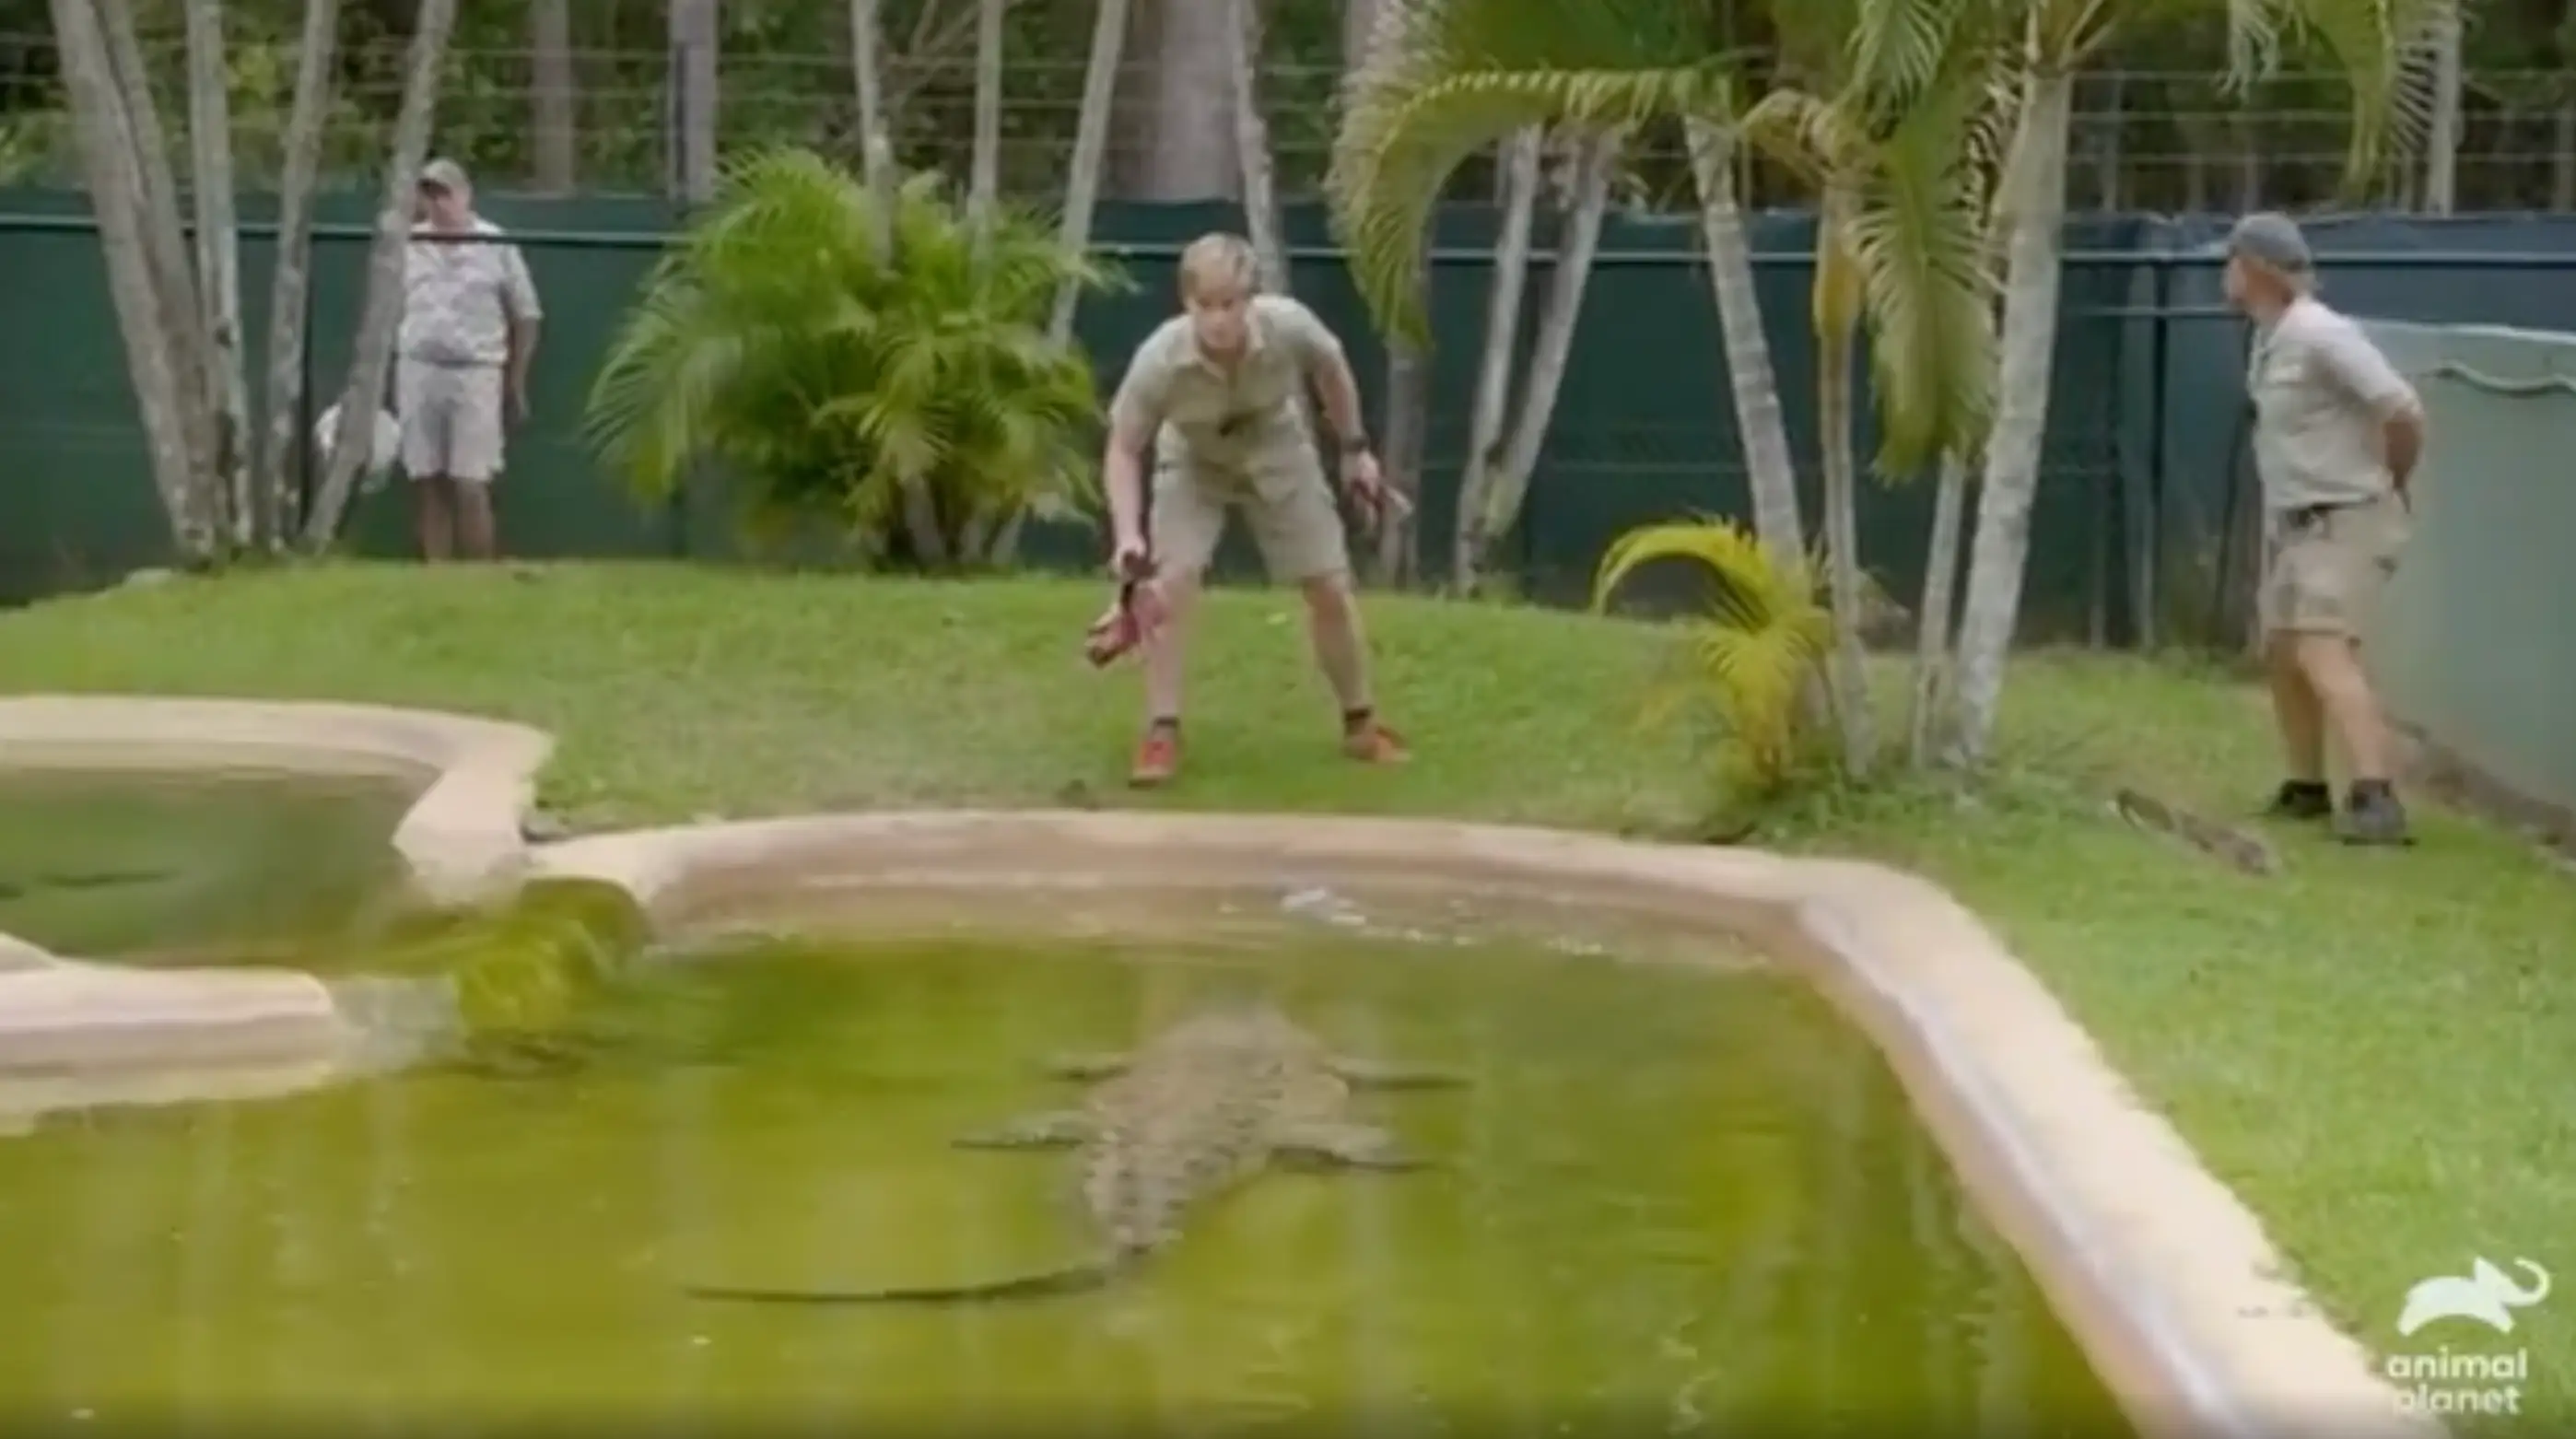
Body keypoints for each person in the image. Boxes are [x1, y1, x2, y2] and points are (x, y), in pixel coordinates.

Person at [1098, 232, 1409, 789]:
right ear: (1186, 304)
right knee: (1168, 588)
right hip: (1194, 458)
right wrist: (1128, 539)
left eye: (1230, 305)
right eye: (1205, 306)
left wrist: (1356, 449)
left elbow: (1332, 368)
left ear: (1250, 300)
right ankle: (1161, 733)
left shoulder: (1289, 325)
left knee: (1328, 585)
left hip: (1276, 445)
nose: (1218, 320)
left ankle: (1361, 722)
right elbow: (1123, 447)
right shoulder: (1160, 360)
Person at [2224, 211, 2428, 845]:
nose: (2224, 275)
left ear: (2257, 269)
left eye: (2231, 262)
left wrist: (2393, 477)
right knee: (2286, 651)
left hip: (2345, 515)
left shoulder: (2321, 333)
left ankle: (2376, 796)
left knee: (2323, 646)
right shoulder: (2272, 335)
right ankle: (2306, 786)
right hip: (2297, 521)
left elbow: (2401, 408)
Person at [397, 158, 543, 562]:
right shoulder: (410, 244)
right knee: (426, 478)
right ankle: (436, 573)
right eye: (429, 195)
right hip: (418, 368)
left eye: (444, 193)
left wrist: (516, 380)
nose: (437, 203)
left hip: (476, 370)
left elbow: (526, 314)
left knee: (470, 481)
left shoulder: (494, 243)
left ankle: (479, 572)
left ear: (465, 195)